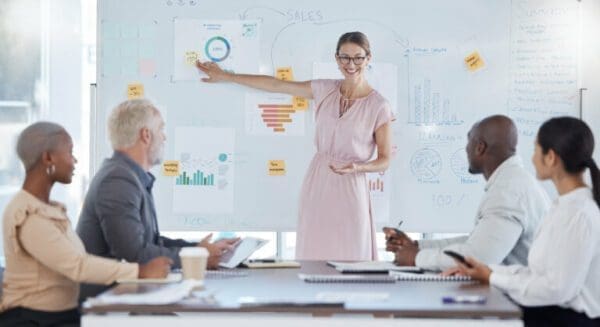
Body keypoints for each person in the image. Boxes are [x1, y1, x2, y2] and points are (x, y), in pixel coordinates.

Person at [196, 31, 393, 260]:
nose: (351, 64)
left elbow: (385, 158)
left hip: (351, 186)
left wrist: (358, 168)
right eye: (345, 58)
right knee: (315, 251)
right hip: (319, 180)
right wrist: (227, 76)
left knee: (351, 251)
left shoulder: (379, 106)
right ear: (337, 59)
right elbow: (277, 85)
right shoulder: (324, 89)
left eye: (358, 57)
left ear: (368, 58)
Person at [0, 122, 171, 326]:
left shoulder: (50, 209)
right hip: (33, 319)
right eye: (70, 152)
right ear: (48, 158)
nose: (74, 160)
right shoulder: (28, 214)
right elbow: (77, 265)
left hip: (62, 315)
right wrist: (140, 271)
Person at [76, 99, 238, 299]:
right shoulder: (117, 180)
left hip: (125, 294)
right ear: (146, 135)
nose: (164, 137)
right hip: (109, 302)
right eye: (161, 129)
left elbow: (151, 242)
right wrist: (200, 258)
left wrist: (198, 249)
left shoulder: (129, 175)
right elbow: (136, 255)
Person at [449, 117, 600, 326]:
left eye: (536, 150)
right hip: (550, 315)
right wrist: (487, 271)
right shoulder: (562, 207)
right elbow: (536, 274)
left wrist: (493, 277)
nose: (531, 158)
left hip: (566, 321)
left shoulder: (579, 213)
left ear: (551, 158)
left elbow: (557, 289)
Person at [385, 115, 550, 271]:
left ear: (480, 147)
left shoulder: (508, 192)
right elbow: (477, 243)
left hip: (523, 298)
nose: (465, 149)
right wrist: (417, 247)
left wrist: (417, 258)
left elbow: (479, 258)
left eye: (468, 142)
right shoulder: (513, 181)